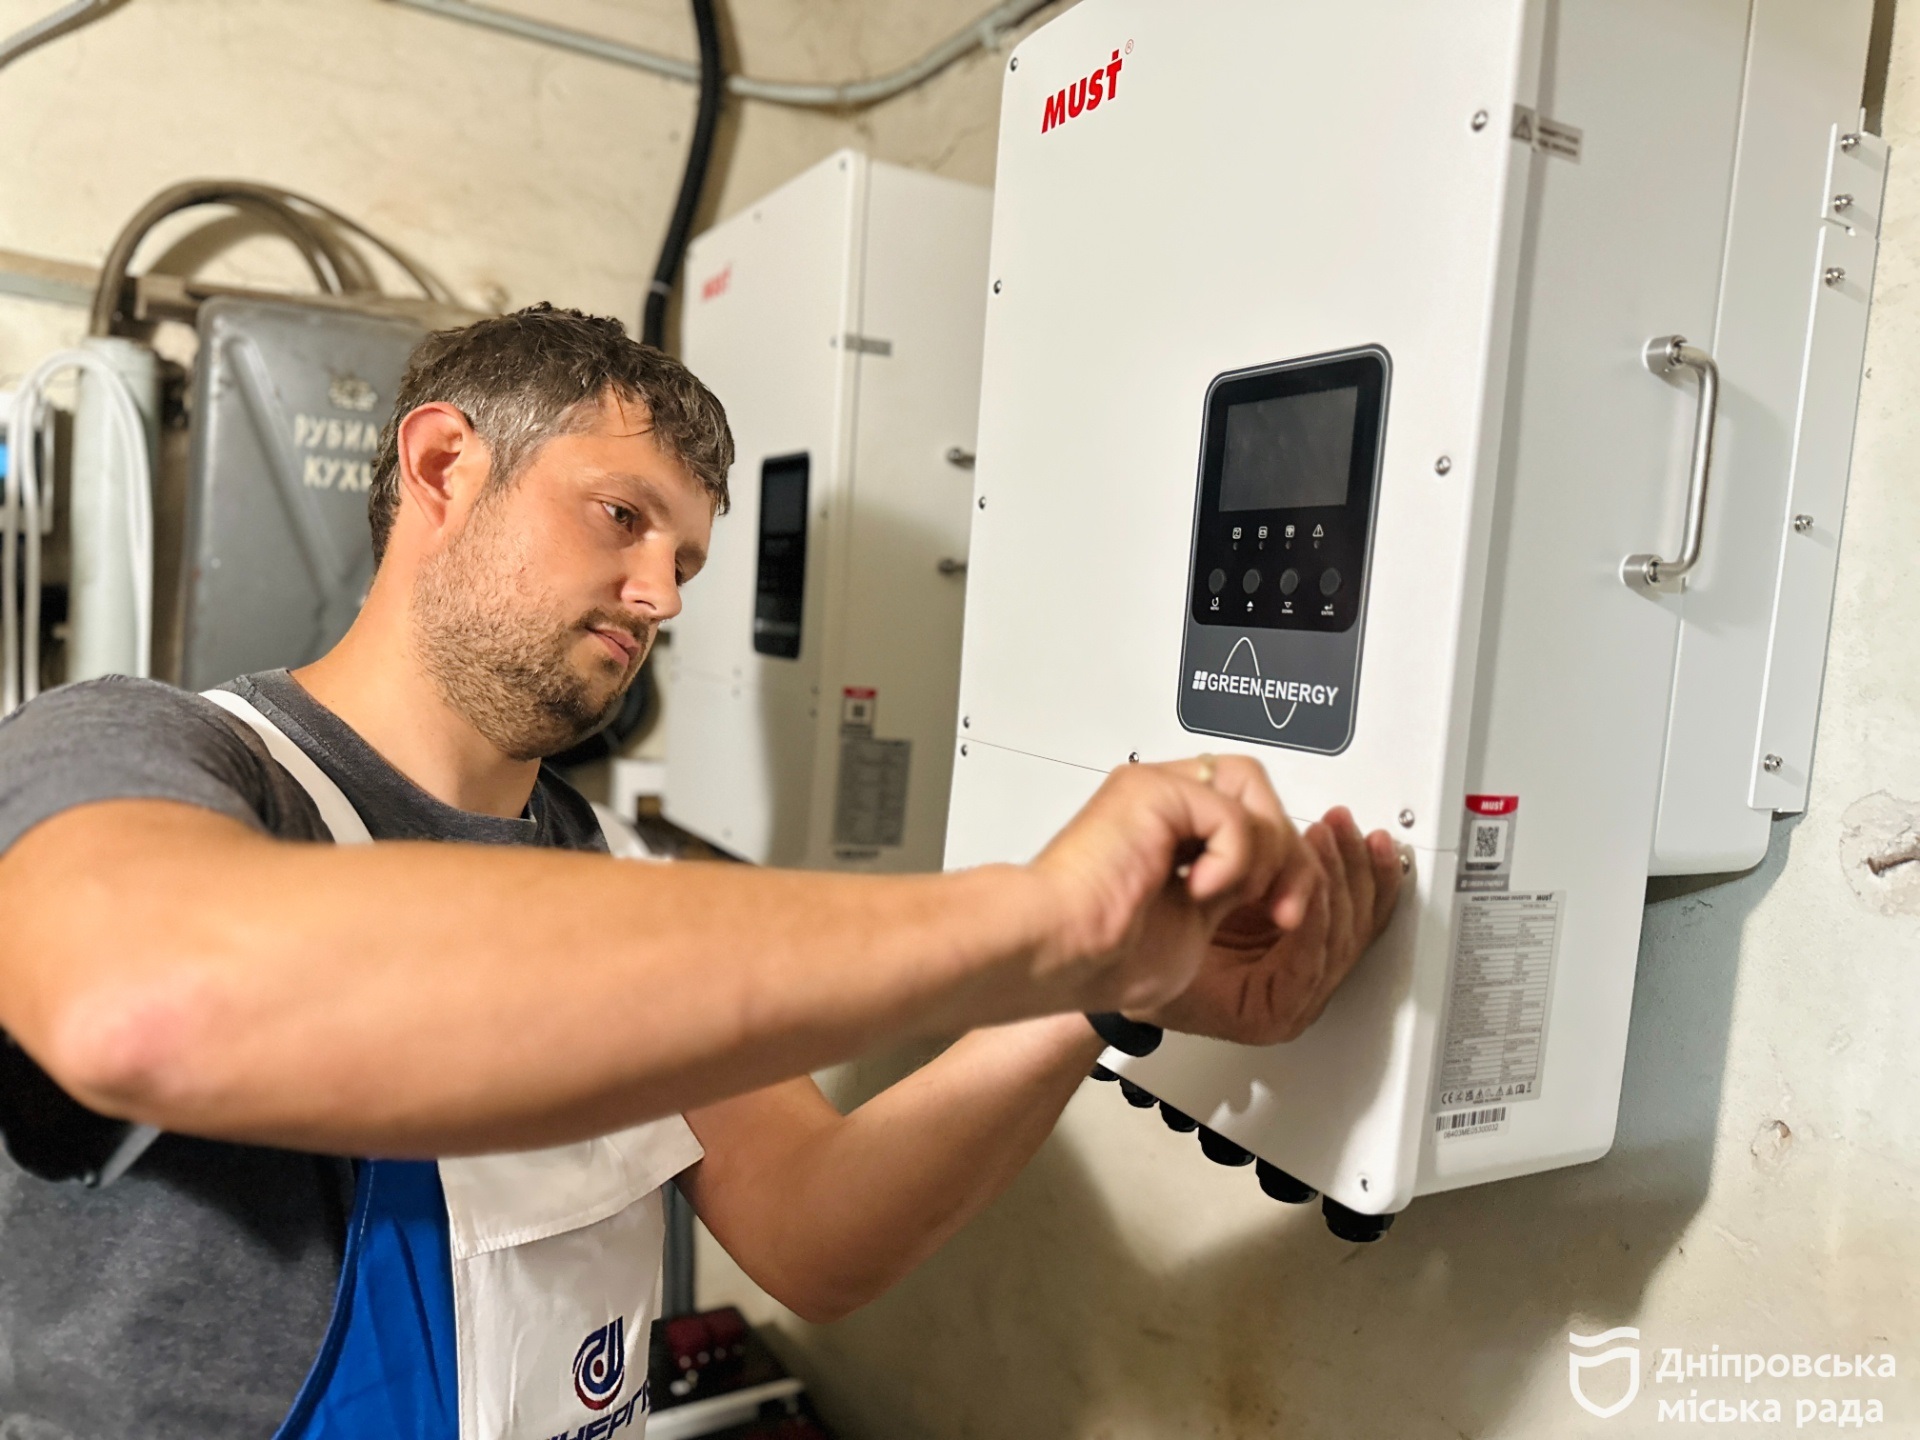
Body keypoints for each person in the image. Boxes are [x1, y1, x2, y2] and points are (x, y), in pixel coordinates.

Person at [0, 305, 1402, 1440]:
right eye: (623, 516)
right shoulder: (151, 752)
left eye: (687, 559)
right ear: (442, 468)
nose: (663, 594)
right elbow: (149, 999)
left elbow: (814, 1232)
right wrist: (1043, 915)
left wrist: (1094, 998)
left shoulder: (609, 872)